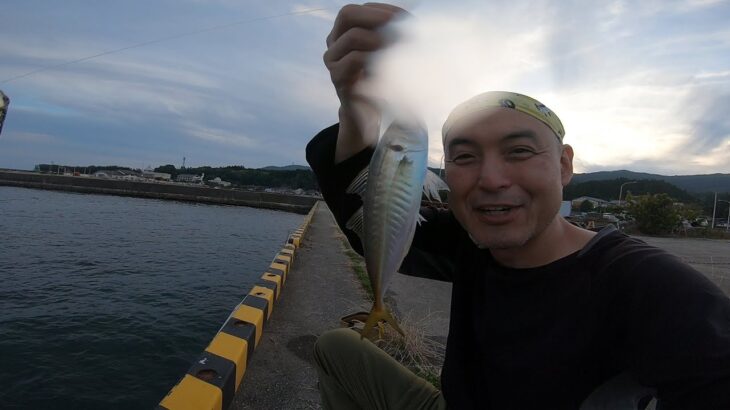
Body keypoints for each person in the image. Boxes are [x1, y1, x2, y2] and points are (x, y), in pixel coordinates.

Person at [306, 3, 730, 409]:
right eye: (466, 157)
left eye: (520, 151)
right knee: (336, 346)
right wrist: (356, 105)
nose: (491, 180)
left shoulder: (653, 287)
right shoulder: (475, 243)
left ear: (564, 165)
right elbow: (372, 222)